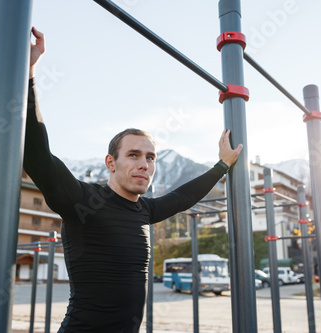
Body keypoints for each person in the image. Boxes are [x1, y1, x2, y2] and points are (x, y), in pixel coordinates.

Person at [24, 27, 243, 333]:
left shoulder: (145, 211)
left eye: (150, 158)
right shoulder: (83, 202)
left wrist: (222, 164)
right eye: (134, 155)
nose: (144, 164)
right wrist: (28, 73)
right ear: (110, 163)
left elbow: (183, 197)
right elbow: (37, 155)